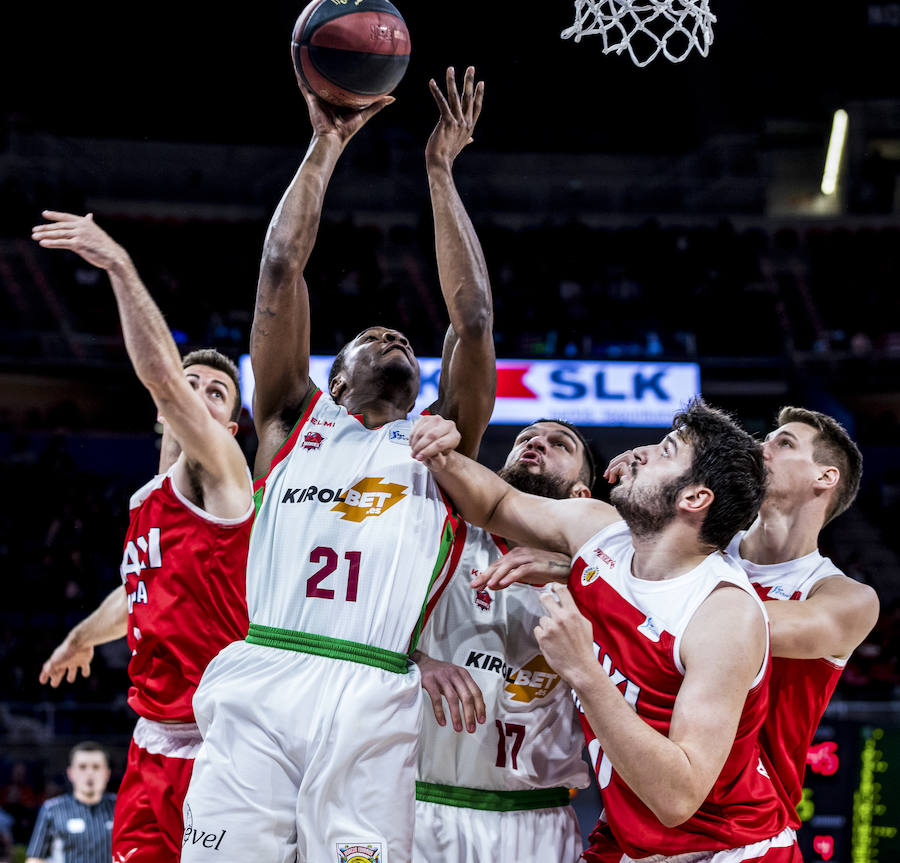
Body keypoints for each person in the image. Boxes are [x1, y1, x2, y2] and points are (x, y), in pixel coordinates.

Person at [180, 65, 495, 863]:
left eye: (408, 348)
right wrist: (324, 144)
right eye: (374, 339)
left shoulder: (441, 443)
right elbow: (280, 269)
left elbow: (475, 317)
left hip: (375, 694)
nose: (395, 340)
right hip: (265, 676)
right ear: (336, 375)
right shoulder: (291, 418)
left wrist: (439, 169)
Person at [410, 400, 802, 862]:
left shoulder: (722, 614)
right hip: (628, 838)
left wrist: (584, 670)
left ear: (694, 498)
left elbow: (678, 798)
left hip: (723, 848)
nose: (638, 452)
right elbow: (498, 504)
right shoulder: (600, 531)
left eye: (665, 450)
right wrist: (442, 453)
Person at [32, 212, 254, 863]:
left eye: (219, 394)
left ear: (232, 428)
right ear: (162, 413)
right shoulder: (147, 502)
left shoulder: (223, 475)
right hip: (152, 742)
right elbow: (137, 589)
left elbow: (159, 373)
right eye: (194, 386)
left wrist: (121, 267)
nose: (203, 398)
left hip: (222, 744)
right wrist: (82, 634)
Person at [605, 407, 880, 829]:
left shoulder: (844, 597)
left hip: (742, 827)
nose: (760, 445)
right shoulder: (697, 546)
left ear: (824, 478)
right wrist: (651, 486)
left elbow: (726, 628)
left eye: (783, 443)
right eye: (766, 436)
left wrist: (618, 566)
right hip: (644, 799)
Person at [412, 420, 594, 863]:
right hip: (414, 807)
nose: (536, 444)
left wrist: (571, 570)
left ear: (581, 497)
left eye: (559, 444)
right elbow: (357, 626)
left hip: (536, 822)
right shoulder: (443, 535)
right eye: (525, 439)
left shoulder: (601, 580)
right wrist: (416, 660)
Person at [25, 742, 116, 863]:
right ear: (71, 773)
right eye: (82, 767)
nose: (89, 773)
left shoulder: (122, 806)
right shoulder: (52, 809)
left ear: (107, 774)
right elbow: (35, 859)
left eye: (96, 767)